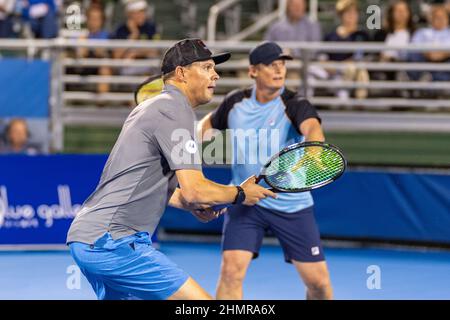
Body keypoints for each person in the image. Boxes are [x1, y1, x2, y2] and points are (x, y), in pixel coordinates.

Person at [66, 38, 276, 300]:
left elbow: (156, 186)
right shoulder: (174, 110)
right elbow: (195, 189)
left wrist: (191, 203)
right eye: (207, 67)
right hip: (112, 242)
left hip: (90, 238)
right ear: (182, 73)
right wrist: (240, 193)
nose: (216, 75)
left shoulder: (154, 106)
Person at [198, 41, 333, 300]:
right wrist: (184, 139)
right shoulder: (234, 102)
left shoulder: (295, 104)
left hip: (291, 205)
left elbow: (313, 130)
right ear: (253, 71)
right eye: (271, 65)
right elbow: (205, 127)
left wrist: (313, 153)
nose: (279, 69)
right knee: (231, 273)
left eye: (282, 64)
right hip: (245, 200)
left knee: (318, 284)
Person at [323, 0, 370, 100]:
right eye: (347, 13)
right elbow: (324, 56)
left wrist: (345, 63)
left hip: (353, 70)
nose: (351, 16)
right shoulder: (331, 36)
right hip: (334, 72)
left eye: (354, 12)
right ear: (341, 15)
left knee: (359, 70)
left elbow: (361, 56)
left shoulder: (362, 35)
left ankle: (360, 103)